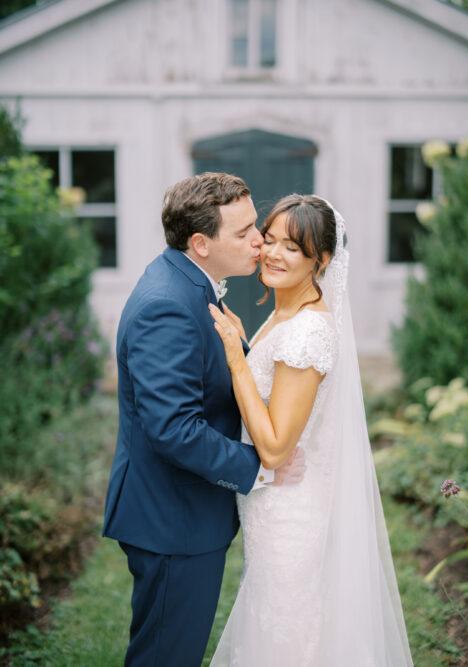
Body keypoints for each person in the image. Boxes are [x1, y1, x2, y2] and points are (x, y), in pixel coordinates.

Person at [102, 173, 305, 667]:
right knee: (166, 656)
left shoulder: (192, 283)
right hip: (171, 520)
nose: (259, 240)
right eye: (244, 233)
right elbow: (173, 428)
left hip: (181, 513)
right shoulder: (167, 306)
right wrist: (260, 466)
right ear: (201, 243)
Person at [209, 195, 413, 666]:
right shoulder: (285, 313)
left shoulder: (308, 330)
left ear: (320, 260)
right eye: (271, 239)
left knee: (289, 627)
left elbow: (278, 447)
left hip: (290, 510)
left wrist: (237, 360)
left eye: (293, 248)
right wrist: (245, 343)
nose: (274, 254)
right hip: (271, 504)